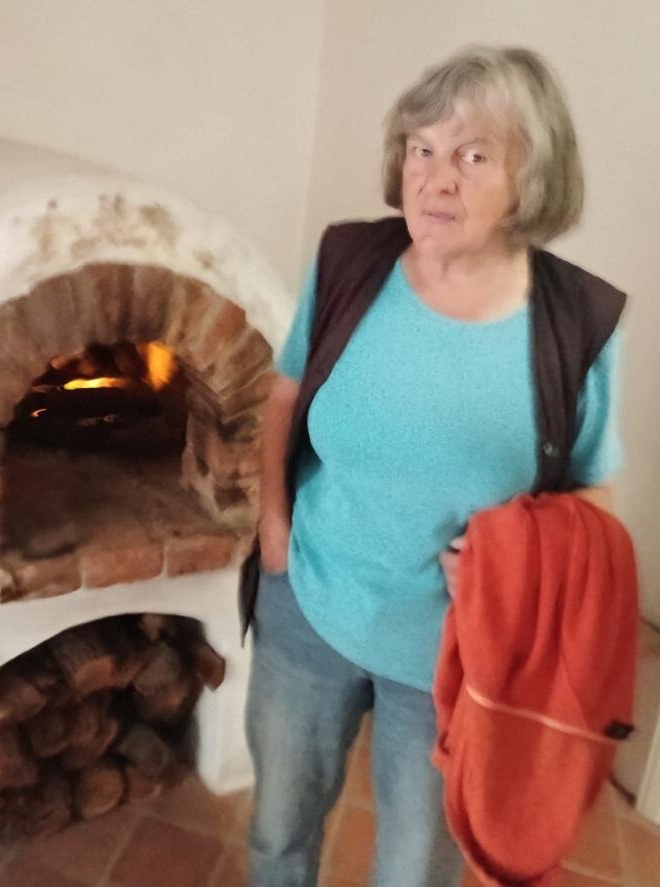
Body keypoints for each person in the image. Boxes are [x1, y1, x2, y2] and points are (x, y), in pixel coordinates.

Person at [242, 45, 625, 887]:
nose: (436, 179)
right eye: (423, 149)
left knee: (415, 869)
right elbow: (284, 394)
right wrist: (274, 526)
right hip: (309, 603)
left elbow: (593, 498)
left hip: (458, 654)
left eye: (474, 156)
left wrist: (515, 562)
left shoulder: (576, 324)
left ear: (531, 178)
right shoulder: (348, 263)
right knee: (276, 833)